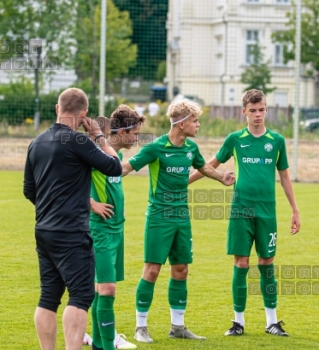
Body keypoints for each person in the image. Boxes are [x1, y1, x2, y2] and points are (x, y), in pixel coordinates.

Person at [121, 99, 235, 343]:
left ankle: (178, 327)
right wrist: (96, 166)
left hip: (182, 218)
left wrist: (221, 178)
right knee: (151, 271)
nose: (198, 125)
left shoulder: (191, 148)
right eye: (195, 121)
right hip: (159, 217)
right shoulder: (156, 148)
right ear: (181, 124)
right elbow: (126, 167)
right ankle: (140, 327)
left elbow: (203, 167)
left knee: (181, 270)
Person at [189, 89, 300, 337]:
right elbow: (210, 165)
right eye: (253, 111)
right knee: (240, 263)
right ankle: (238, 322)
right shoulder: (235, 139)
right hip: (241, 210)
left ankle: (272, 322)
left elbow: (283, 177)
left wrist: (295, 210)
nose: (258, 115)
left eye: (261, 110)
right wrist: (185, 182)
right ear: (244, 112)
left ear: (266, 110)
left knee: (267, 263)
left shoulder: (277, 140)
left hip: (267, 212)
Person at [23, 87, 122, 350]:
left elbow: (28, 190)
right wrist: (99, 136)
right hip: (71, 233)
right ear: (84, 114)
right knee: (80, 295)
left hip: (43, 231)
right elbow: (115, 167)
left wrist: (51, 209)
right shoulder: (80, 142)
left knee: (48, 298)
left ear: (58, 108)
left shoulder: (37, 142)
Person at [88, 107, 146, 350]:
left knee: (102, 289)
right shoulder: (94, 152)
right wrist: (91, 204)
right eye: (134, 133)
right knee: (108, 288)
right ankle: (108, 344)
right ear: (121, 131)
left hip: (116, 230)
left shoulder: (116, 157)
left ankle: (99, 344)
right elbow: (71, 179)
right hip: (100, 230)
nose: (136, 138)